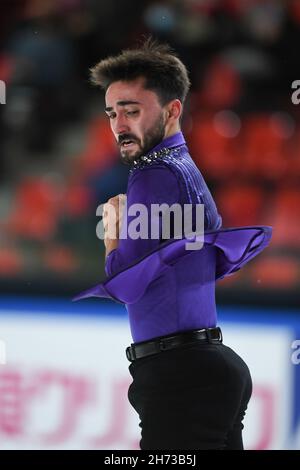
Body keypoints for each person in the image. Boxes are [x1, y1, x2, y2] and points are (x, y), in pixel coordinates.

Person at [74, 39, 272, 450]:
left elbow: (126, 282)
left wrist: (112, 230)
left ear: (172, 110)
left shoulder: (153, 173)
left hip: (181, 377)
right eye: (112, 113)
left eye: (132, 110)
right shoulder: (185, 166)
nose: (118, 125)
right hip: (208, 369)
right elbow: (215, 258)